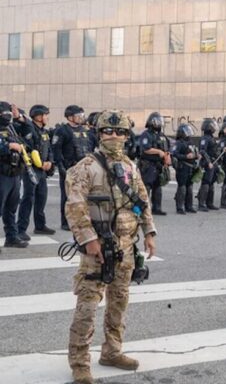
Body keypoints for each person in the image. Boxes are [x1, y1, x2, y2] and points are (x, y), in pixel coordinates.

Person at [65, 109, 156, 384]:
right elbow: (75, 207)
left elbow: (141, 199)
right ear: (99, 133)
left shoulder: (130, 166)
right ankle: (80, 362)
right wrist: (89, 239)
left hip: (126, 248)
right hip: (97, 252)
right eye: (108, 131)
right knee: (88, 308)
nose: (114, 136)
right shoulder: (86, 167)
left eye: (120, 132)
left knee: (119, 302)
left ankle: (112, 351)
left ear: (127, 136)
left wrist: (149, 231)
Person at [17, 104, 55, 240]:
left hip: (43, 170)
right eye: (45, 115)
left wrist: (49, 161)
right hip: (31, 170)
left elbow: (49, 148)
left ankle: (40, 226)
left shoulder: (44, 131)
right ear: (39, 117)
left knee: (41, 198)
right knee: (28, 198)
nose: (47, 117)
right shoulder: (29, 129)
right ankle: (20, 229)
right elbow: (27, 149)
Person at [52, 105, 89, 230]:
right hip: (68, 168)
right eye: (78, 116)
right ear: (70, 117)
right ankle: (65, 222)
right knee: (67, 197)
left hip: (83, 168)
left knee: (82, 196)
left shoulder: (84, 130)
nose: (81, 118)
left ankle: (80, 220)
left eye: (82, 116)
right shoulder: (62, 130)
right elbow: (56, 150)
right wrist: (61, 167)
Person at [0, 102, 31, 248]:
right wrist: (8, 146)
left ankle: (11, 237)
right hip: (2, 174)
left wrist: (20, 117)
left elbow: (29, 133)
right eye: (6, 114)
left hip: (14, 173)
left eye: (10, 114)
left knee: (11, 208)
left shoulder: (11, 127)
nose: (8, 117)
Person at [138, 112, 170, 216]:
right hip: (148, 165)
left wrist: (167, 158)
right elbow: (145, 149)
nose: (160, 123)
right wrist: (158, 152)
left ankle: (157, 208)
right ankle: (144, 210)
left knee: (158, 187)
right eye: (158, 121)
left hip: (159, 165)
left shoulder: (162, 136)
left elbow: (167, 148)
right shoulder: (146, 134)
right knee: (146, 187)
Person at [172, 124, 199, 214]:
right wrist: (185, 156)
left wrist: (197, 156)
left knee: (189, 187)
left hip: (191, 168)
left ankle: (189, 206)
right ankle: (180, 207)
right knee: (182, 187)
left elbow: (194, 153)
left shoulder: (190, 143)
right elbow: (174, 154)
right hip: (182, 168)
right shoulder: (179, 143)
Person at [197, 118, 219, 211]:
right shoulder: (205, 138)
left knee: (211, 182)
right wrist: (209, 162)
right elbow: (202, 151)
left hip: (213, 163)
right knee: (206, 182)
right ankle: (201, 204)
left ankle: (209, 203)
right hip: (207, 164)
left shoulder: (211, 138)